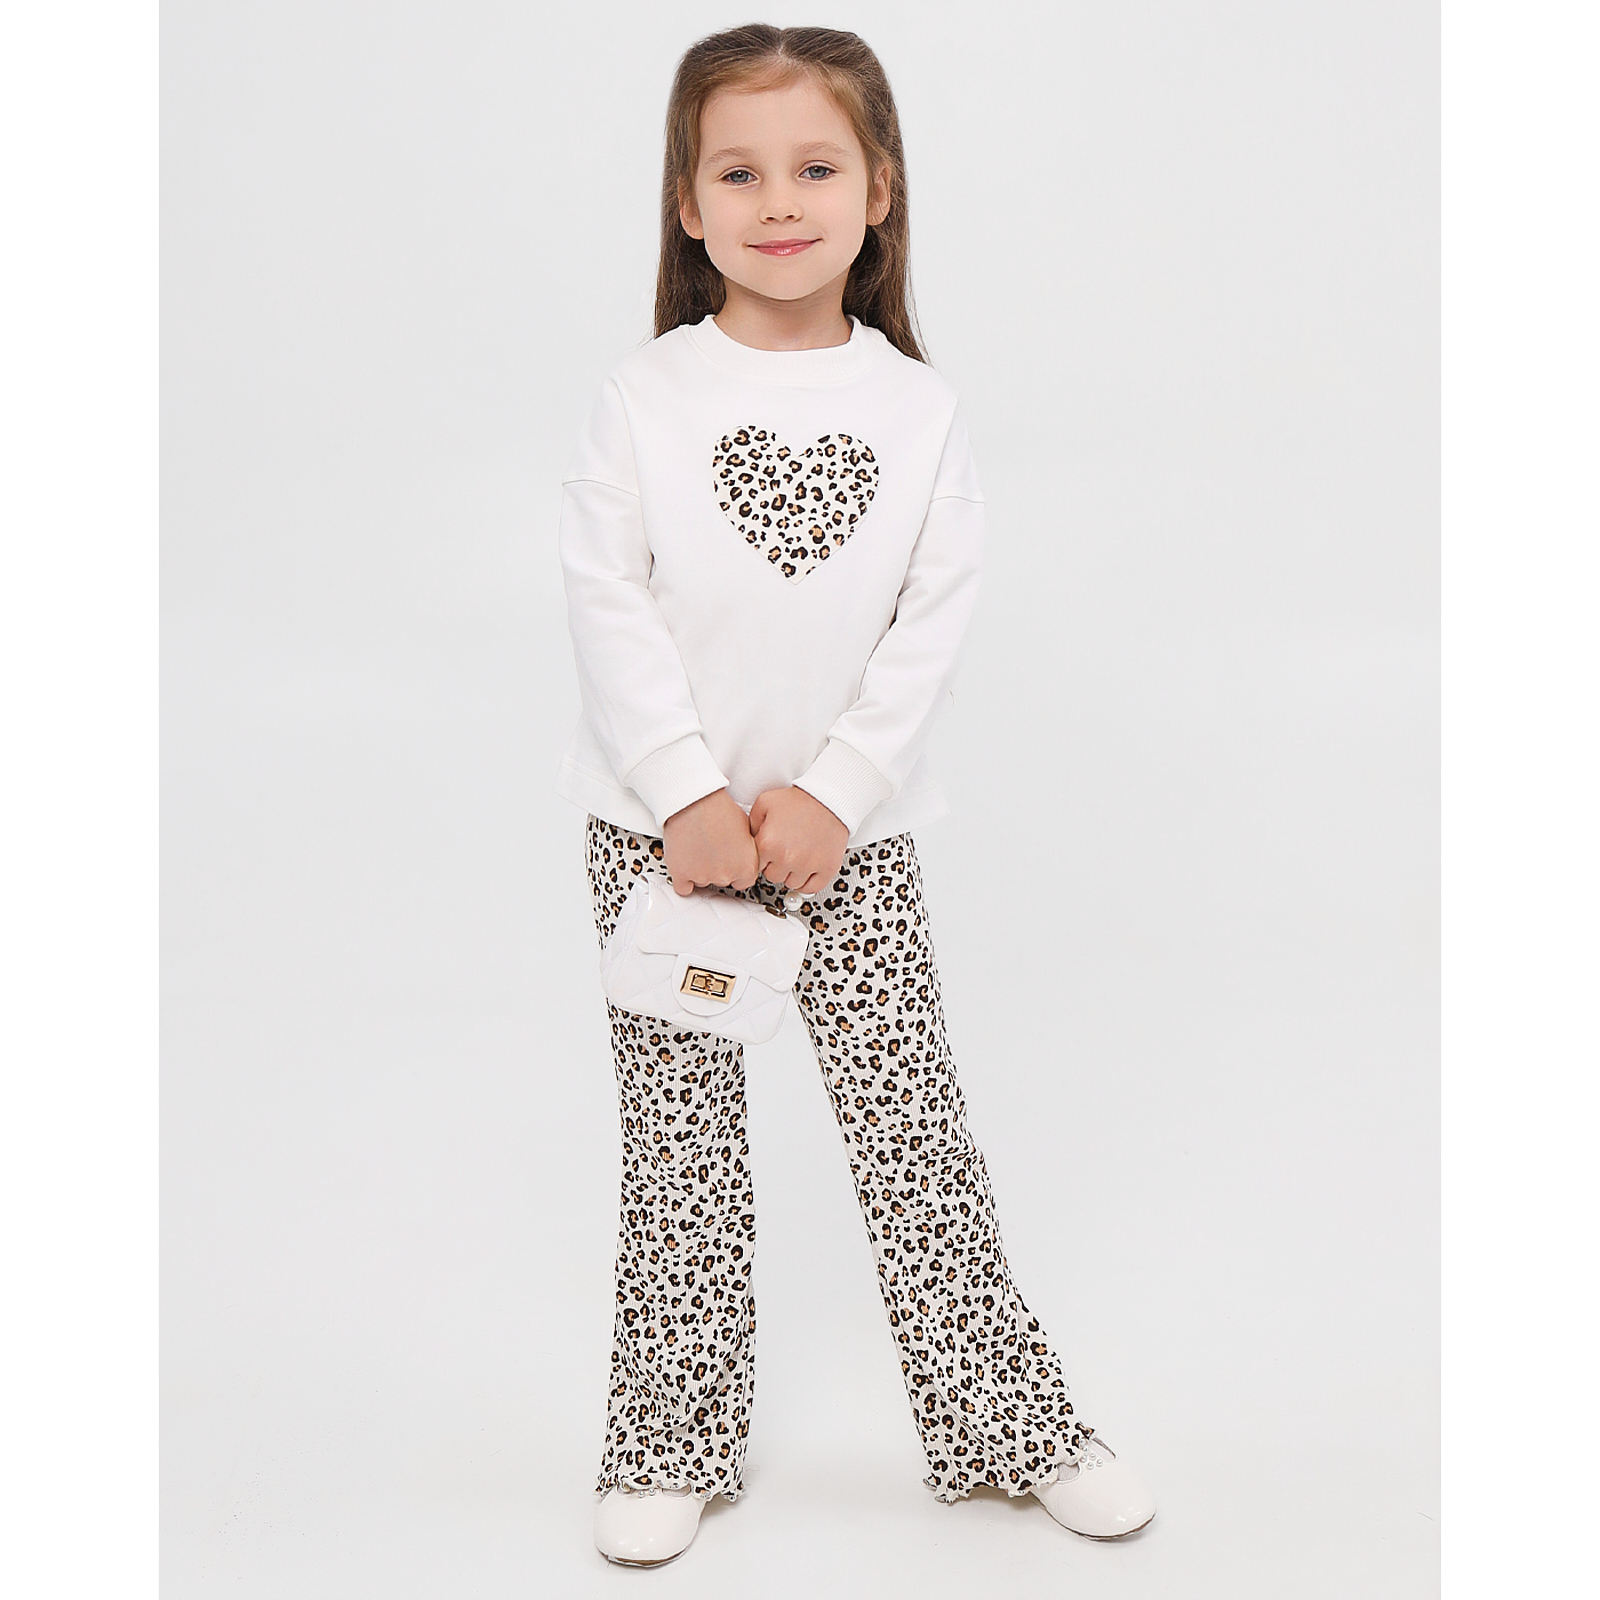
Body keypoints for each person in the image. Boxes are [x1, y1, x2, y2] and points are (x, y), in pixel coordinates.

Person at [554, 23, 1157, 1569]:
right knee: (681, 1154)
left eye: (815, 167)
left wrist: (836, 793)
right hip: (663, 848)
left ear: (878, 190)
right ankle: (671, 1437)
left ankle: (1010, 1424)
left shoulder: (919, 411)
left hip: (853, 847)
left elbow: (929, 625)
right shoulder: (642, 397)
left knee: (915, 1144)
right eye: (738, 172)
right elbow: (606, 603)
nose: (779, 201)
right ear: (686, 203)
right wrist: (686, 794)